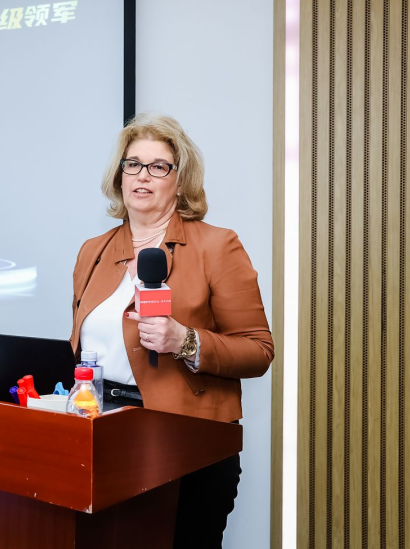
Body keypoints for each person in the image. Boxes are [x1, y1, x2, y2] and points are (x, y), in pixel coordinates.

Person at [70, 113, 274, 548]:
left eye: (158, 166)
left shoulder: (217, 246)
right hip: (102, 436)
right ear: (119, 175)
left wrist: (186, 341)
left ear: (180, 183)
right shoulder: (94, 251)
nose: (142, 175)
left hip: (188, 444)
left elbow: (258, 351)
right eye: (133, 164)